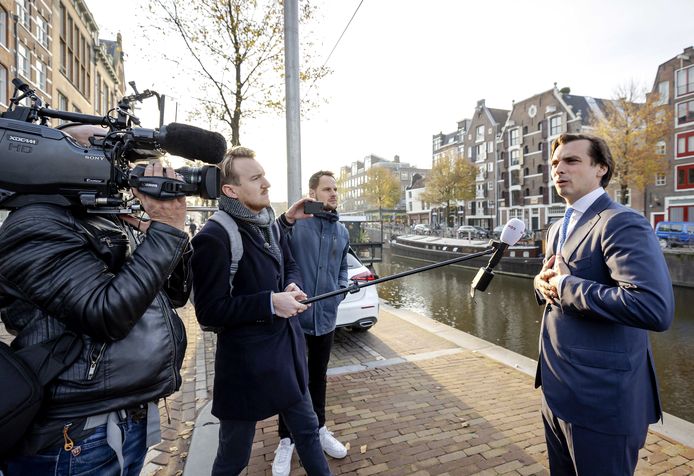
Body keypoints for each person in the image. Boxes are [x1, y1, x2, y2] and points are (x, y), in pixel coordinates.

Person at [0, 124, 191, 475]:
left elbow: (172, 296)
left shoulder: (101, 218)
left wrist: (164, 237)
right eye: (97, 145)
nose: (113, 158)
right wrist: (166, 234)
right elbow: (106, 314)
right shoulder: (34, 223)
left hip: (121, 417)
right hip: (78, 434)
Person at [533, 133, 674, 475]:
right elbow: (555, 284)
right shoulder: (556, 228)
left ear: (601, 169)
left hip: (601, 402)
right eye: (555, 163)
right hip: (556, 391)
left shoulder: (621, 222)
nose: (559, 169)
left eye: (571, 161)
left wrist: (567, 286)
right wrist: (540, 284)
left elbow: (653, 307)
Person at [190, 146, 332, 475]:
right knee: (233, 458)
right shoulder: (213, 237)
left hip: (288, 358)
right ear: (231, 190)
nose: (266, 183)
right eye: (256, 178)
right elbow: (209, 312)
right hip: (246, 368)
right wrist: (270, 302)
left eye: (264, 175)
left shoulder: (270, 223)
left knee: (309, 433)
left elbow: (290, 265)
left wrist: (293, 287)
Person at [272, 171, 350, 476]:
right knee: (291, 381)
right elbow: (275, 251)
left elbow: (343, 267)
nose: (332, 193)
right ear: (312, 194)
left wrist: (339, 293)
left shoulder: (342, 231)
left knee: (318, 378)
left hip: (326, 320)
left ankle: (319, 429)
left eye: (335, 189)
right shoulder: (296, 226)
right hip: (295, 320)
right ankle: (286, 440)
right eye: (326, 189)